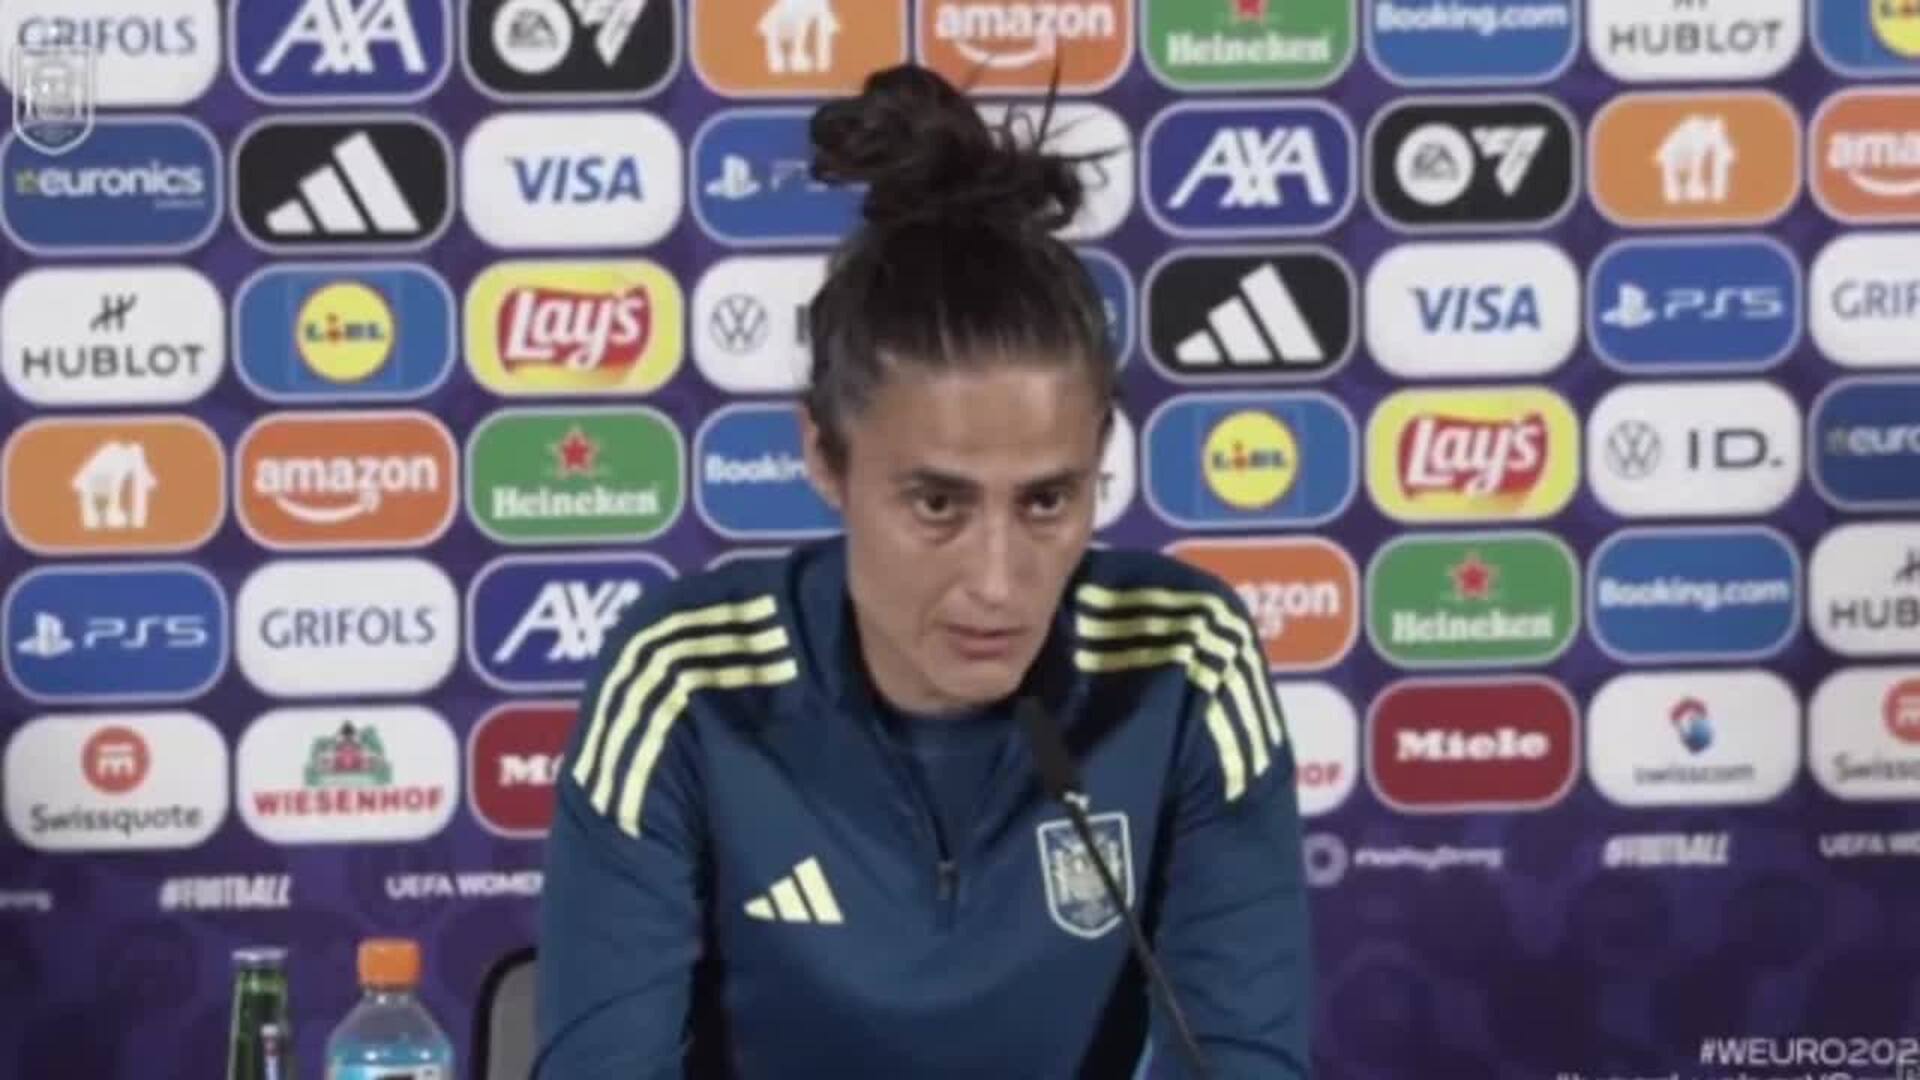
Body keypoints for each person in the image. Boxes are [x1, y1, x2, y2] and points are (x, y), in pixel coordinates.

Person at [534, 63, 1312, 1079]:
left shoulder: (1183, 658)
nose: (997, 581)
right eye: (938, 504)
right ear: (825, 459)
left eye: (1047, 501)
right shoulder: (685, 680)